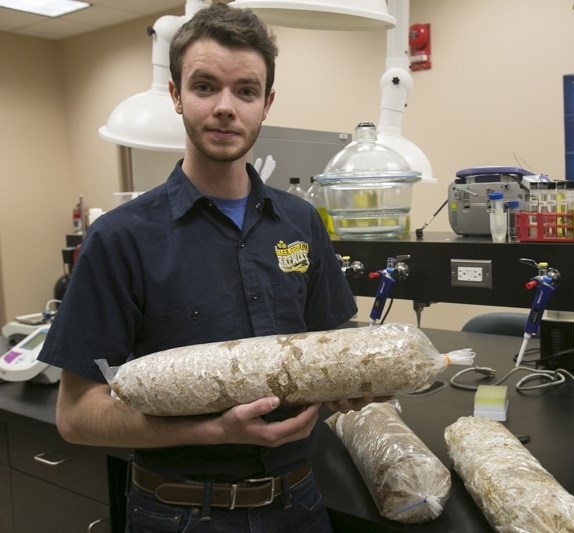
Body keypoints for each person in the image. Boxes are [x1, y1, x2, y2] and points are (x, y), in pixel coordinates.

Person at [37, 3, 364, 531]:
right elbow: (76, 416)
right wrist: (212, 431)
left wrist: (357, 381)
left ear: (267, 103)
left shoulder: (300, 221)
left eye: (246, 91)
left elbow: (330, 349)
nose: (225, 108)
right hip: (181, 514)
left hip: (299, 504)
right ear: (175, 95)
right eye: (205, 86)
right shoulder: (120, 239)